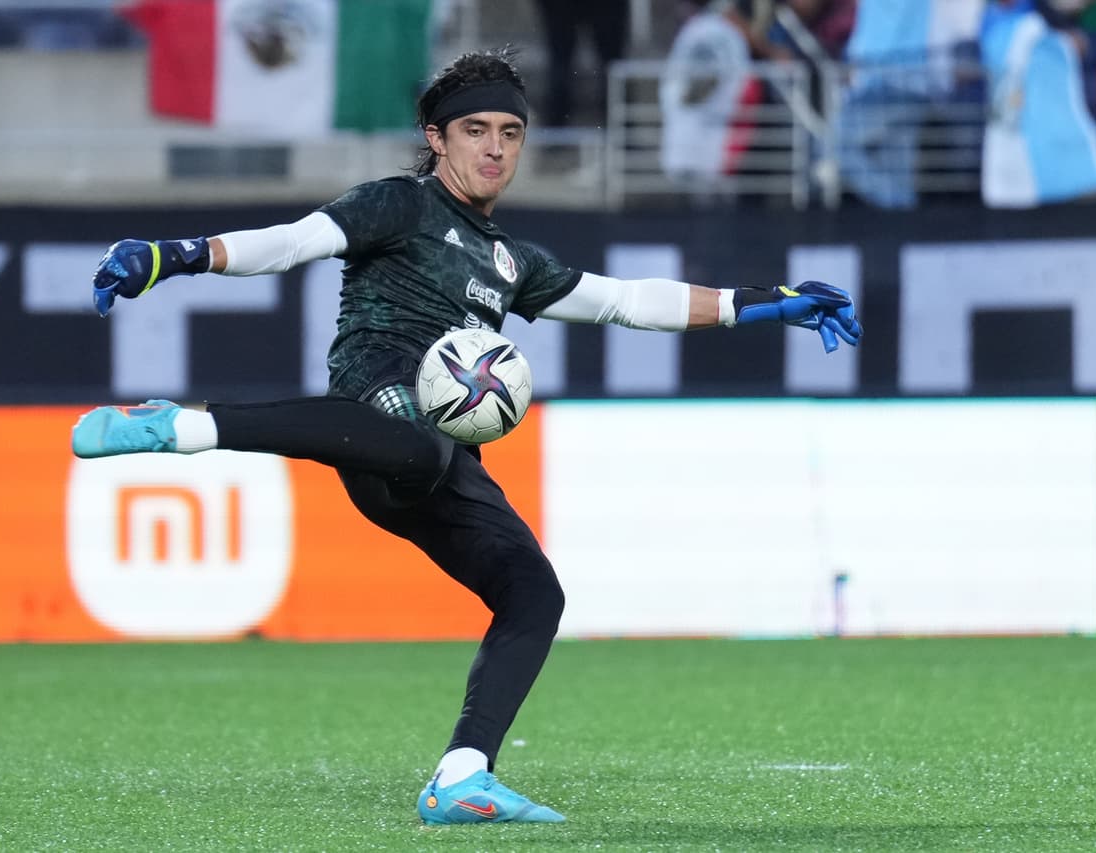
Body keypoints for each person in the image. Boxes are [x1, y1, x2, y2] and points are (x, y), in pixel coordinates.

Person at [71, 48, 862, 825]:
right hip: (374, 402)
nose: (494, 147)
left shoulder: (512, 260)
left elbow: (627, 301)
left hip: (440, 455)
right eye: (475, 130)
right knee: (412, 444)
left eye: (510, 134)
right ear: (438, 136)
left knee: (534, 591)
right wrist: (172, 257)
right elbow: (291, 242)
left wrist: (766, 300)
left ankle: (462, 777)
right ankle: (179, 424)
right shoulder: (399, 204)